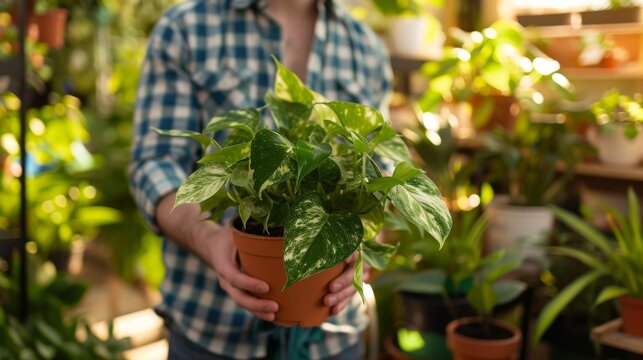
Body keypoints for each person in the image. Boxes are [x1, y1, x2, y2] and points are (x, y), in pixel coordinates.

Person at [129, 0, 392, 358]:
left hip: (333, 336)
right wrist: (210, 241)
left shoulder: (366, 48)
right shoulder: (187, 28)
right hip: (211, 331)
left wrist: (359, 258)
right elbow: (154, 163)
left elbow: (381, 178)